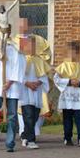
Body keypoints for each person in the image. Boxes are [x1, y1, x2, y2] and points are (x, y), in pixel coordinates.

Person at [0, 19, 27, 152]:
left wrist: (10, 82)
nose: (1, 36)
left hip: (12, 85)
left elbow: (20, 66)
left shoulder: (16, 48)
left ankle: (10, 143)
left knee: (12, 114)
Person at [17, 20, 52, 149]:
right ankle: (31, 140)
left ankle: (25, 136)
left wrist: (38, 82)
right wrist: (27, 83)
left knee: (35, 115)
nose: (30, 48)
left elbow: (43, 76)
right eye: (28, 46)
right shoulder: (21, 60)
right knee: (28, 115)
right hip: (25, 93)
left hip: (36, 92)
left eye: (33, 46)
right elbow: (18, 76)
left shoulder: (38, 60)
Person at [54, 41, 80, 147]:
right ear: (67, 53)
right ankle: (67, 138)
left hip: (78, 95)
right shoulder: (63, 66)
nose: (73, 54)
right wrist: (69, 81)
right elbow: (56, 79)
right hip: (67, 94)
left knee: (79, 117)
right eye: (71, 52)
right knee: (67, 118)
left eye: (75, 52)